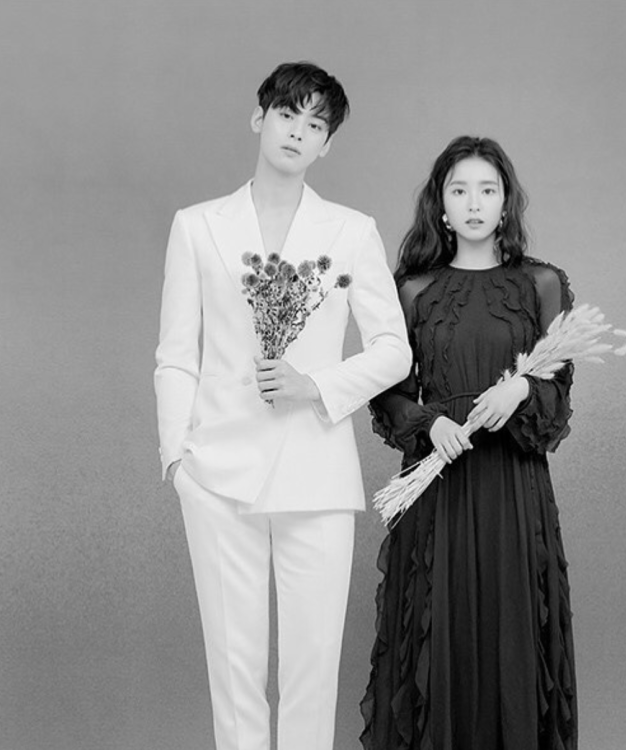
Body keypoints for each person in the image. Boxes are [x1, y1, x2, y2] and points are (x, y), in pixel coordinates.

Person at [154, 61, 411, 750]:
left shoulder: (350, 231)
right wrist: (177, 458)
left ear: (326, 145)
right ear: (258, 118)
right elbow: (176, 354)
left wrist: (316, 386)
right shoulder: (197, 226)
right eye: (288, 114)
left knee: (310, 669)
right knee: (233, 668)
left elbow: (393, 350)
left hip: (315, 470)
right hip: (216, 472)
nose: (298, 131)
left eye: (316, 124)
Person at [360, 135, 578, 750]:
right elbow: (388, 394)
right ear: (442, 205)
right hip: (437, 486)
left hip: (513, 490)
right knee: (438, 637)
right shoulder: (412, 290)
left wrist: (521, 391)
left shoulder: (541, 284)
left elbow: (558, 395)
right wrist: (429, 423)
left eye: (487, 190)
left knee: (511, 634)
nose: (474, 203)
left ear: (506, 203)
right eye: (460, 190)